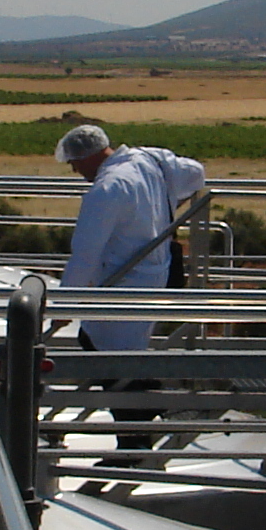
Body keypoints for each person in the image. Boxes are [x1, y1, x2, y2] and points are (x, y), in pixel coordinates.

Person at [57, 123, 205, 445]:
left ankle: (143, 427)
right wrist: (166, 203)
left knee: (112, 360)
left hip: (123, 286)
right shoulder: (149, 161)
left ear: (90, 155)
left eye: (75, 162)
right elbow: (196, 173)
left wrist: (63, 304)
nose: (74, 169)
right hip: (155, 275)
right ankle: (141, 424)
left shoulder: (107, 189)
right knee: (115, 354)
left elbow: (85, 255)